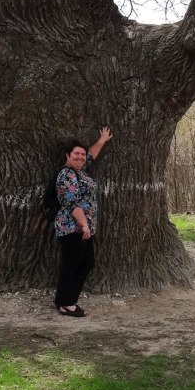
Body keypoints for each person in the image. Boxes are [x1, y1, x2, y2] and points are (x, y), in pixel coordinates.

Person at [53, 126, 113, 317]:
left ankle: (65, 300)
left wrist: (102, 140)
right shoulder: (67, 175)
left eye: (82, 154)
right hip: (72, 227)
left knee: (85, 263)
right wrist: (84, 224)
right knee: (74, 264)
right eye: (76, 154)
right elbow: (72, 203)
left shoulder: (79, 170)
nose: (80, 157)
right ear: (67, 156)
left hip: (81, 228)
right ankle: (66, 303)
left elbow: (91, 155)